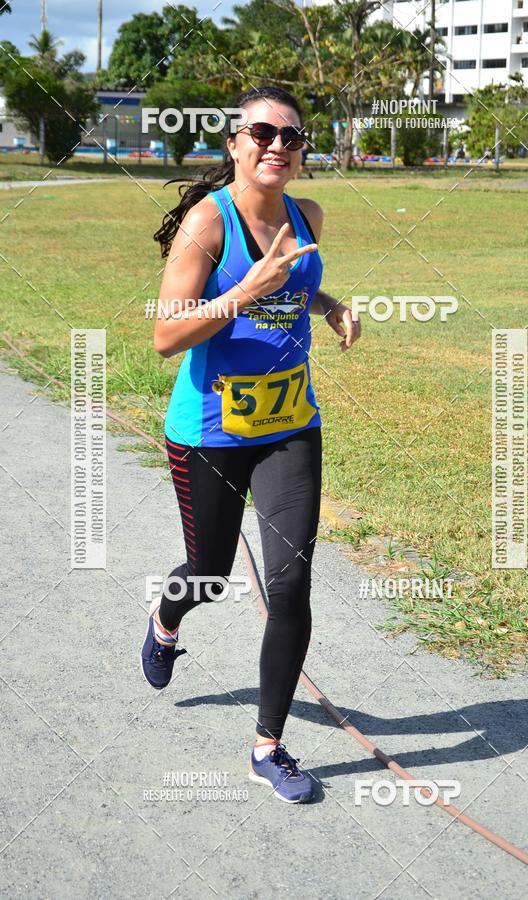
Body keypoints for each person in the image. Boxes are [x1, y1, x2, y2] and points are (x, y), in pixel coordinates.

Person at [140, 85, 361, 803]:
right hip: (209, 432)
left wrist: (328, 305)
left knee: (290, 582)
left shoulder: (309, 216)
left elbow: (293, 289)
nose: (276, 145)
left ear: (301, 154)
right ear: (234, 143)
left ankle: (268, 747)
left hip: (291, 425)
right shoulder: (207, 227)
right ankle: (167, 617)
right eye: (260, 133)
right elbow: (167, 336)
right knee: (209, 575)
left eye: (291, 137)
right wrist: (247, 289)